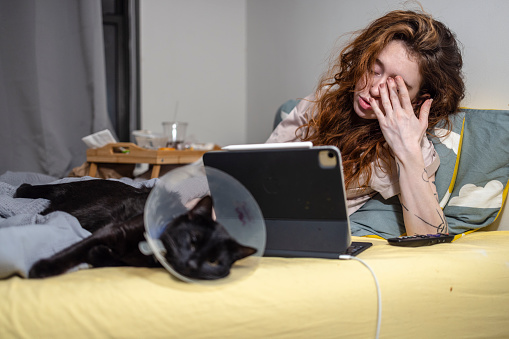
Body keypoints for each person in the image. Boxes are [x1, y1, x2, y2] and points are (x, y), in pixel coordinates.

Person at [266, 9, 465, 236]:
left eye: (394, 86)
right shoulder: (322, 101)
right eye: (373, 69)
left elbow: (431, 237)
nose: (373, 88)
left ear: (417, 100)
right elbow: (260, 167)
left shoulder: (414, 147)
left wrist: (407, 150)